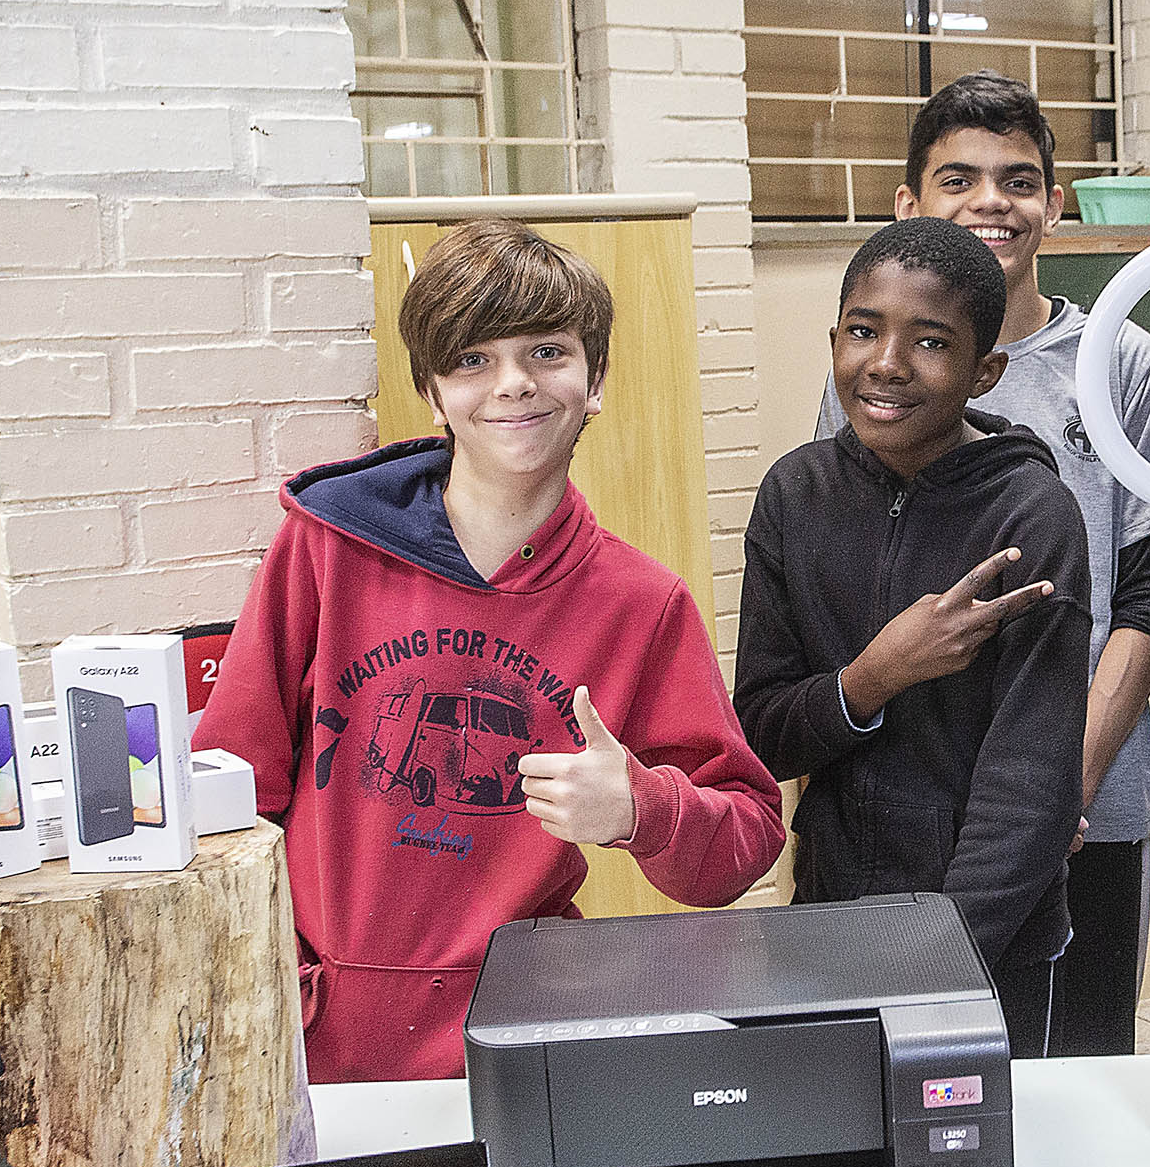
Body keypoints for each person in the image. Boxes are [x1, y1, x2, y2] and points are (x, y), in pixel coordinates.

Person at [196, 222, 786, 1082]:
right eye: (473, 359)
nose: (512, 384)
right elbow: (234, 782)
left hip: (523, 1043)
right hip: (306, 1036)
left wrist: (637, 810)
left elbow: (748, 837)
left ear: (596, 380)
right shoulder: (328, 548)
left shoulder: (639, 603)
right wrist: (263, 982)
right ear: (433, 394)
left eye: (547, 351)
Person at [813, 72, 1150, 1056]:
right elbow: (845, 587)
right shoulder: (874, 366)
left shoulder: (1120, 357)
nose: (992, 203)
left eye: (1020, 181)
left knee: (1077, 1074)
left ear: (1054, 205)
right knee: (913, 1078)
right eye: (958, 179)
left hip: (1087, 808)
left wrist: (1069, 778)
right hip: (913, 808)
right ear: (908, 207)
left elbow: (1149, 585)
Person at [743, 216, 1093, 1050]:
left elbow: (1029, 793)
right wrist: (873, 676)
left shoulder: (1031, 514)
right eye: (863, 332)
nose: (887, 364)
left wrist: (932, 967)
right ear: (834, 340)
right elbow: (761, 733)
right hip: (828, 931)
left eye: (930, 343)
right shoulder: (795, 495)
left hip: (985, 953)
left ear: (985, 371)